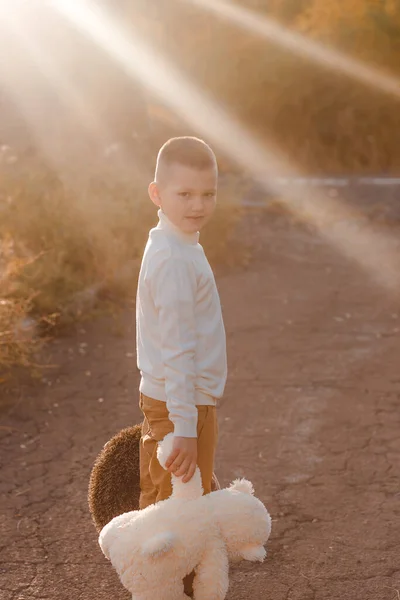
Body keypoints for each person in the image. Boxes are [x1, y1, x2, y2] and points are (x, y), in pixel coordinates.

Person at [136, 136, 227, 518]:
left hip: (170, 398)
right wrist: (186, 428)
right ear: (157, 194)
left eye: (208, 194)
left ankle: (149, 573)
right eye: (185, 193)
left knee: (163, 493)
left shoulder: (175, 243)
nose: (198, 205)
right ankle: (175, 578)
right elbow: (177, 348)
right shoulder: (174, 259)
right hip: (183, 402)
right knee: (182, 512)